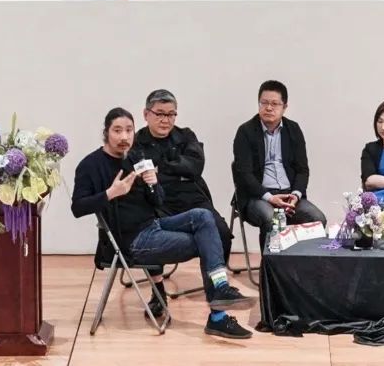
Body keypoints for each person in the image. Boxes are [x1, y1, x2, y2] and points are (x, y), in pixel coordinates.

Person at [72, 107, 255, 339]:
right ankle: (218, 316)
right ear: (106, 132)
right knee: (207, 241)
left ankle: (220, 288)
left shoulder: (135, 158)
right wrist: (110, 193)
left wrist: (153, 184)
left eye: (129, 130)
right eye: (117, 130)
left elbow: (157, 200)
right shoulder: (91, 164)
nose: (124, 136)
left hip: (153, 226)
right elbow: (78, 207)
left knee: (203, 216)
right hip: (130, 242)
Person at [132, 89, 233, 267]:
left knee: (221, 232)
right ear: (146, 114)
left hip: (193, 197)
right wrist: (178, 172)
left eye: (171, 114)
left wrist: (160, 169)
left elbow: (195, 167)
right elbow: (142, 178)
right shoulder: (137, 143)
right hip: (160, 203)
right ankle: (157, 280)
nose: (166, 120)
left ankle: (217, 280)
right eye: (160, 114)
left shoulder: (186, 135)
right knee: (164, 234)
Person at [233, 79, 327, 249]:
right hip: (258, 197)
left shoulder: (293, 130)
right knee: (272, 219)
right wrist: (270, 197)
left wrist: (295, 195)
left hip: (290, 196)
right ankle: (270, 266)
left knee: (317, 219)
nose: (269, 108)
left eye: (275, 104)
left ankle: (300, 264)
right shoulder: (245, 132)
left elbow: (302, 170)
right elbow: (244, 174)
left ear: (285, 107)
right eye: (264, 103)